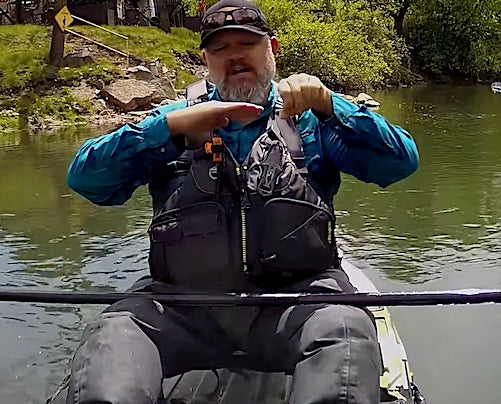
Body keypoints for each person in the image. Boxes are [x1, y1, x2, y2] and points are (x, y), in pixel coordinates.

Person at [64, 0, 419, 402]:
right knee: (113, 334)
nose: (234, 55)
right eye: (220, 48)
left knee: (343, 329)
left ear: (272, 48)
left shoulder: (313, 122)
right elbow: (84, 179)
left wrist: (330, 104)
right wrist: (166, 128)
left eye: (247, 43)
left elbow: (400, 163)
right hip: (182, 309)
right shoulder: (171, 123)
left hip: (297, 306)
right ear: (206, 60)